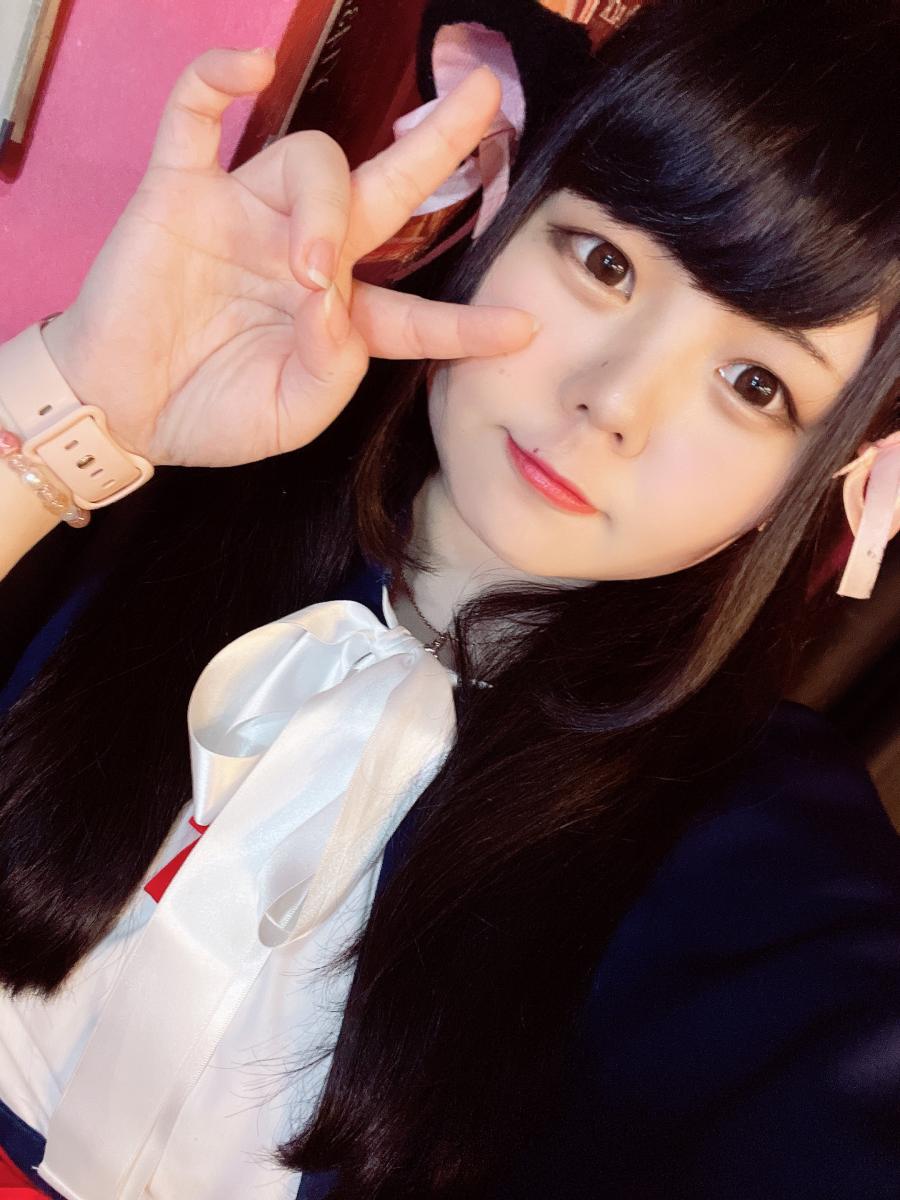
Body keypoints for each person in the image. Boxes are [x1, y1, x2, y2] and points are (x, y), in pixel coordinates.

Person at [0, 0, 898, 1196]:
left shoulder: (763, 855)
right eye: (605, 262)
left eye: (754, 383)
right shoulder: (160, 465)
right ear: (507, 206)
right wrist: (73, 404)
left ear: (836, 478)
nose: (614, 399)